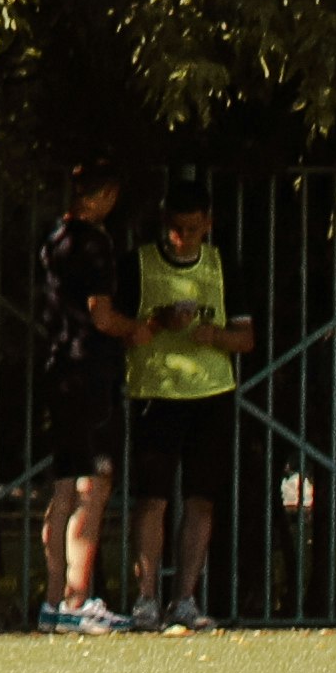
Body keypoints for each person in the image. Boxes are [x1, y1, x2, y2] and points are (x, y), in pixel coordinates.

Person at [120, 180, 262, 629]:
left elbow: (247, 338)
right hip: (155, 393)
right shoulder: (139, 264)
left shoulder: (223, 266)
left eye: (193, 228)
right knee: (152, 499)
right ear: (165, 226)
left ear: (208, 224)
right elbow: (119, 327)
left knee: (201, 499)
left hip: (211, 395)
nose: (184, 237)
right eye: (176, 229)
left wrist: (214, 336)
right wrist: (159, 321)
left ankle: (185, 598)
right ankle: (146, 599)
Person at [28, 158, 146, 636]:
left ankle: (55, 601)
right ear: (103, 195)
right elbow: (101, 314)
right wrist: (137, 329)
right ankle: (77, 601)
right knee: (94, 483)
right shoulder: (95, 242)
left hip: (58, 368)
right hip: (90, 371)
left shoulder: (52, 237)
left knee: (63, 484)